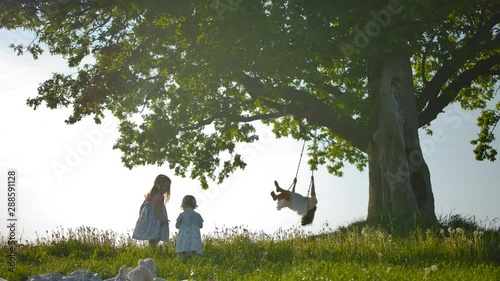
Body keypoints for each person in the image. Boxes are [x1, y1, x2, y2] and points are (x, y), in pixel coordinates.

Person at [132, 174, 171, 248]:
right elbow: (157, 208)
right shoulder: (159, 196)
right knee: (156, 235)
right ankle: (153, 250)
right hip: (156, 220)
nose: (165, 189)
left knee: (153, 237)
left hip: (150, 220)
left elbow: (142, 207)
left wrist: (142, 217)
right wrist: (162, 219)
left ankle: (152, 250)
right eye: (164, 186)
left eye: (167, 186)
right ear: (158, 185)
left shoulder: (151, 195)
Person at [175, 195, 204, 259]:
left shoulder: (182, 215)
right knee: (195, 247)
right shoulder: (197, 215)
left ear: (183, 204)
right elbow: (201, 225)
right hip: (195, 237)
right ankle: (196, 260)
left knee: (182, 247)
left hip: (184, 235)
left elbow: (177, 226)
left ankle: (181, 259)